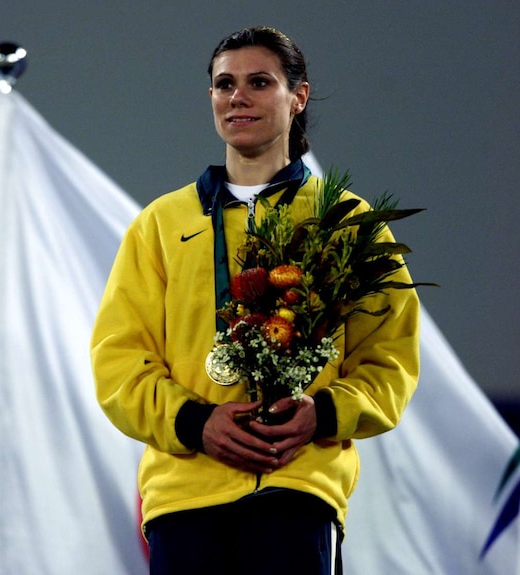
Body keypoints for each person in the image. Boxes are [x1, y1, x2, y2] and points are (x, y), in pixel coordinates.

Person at [90, 26, 420, 574]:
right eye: (224, 84)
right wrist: (197, 422)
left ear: (299, 97)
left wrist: (323, 413)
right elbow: (118, 363)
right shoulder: (160, 225)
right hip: (185, 499)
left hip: (298, 491)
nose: (237, 96)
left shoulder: (347, 224)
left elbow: (390, 364)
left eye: (259, 82)